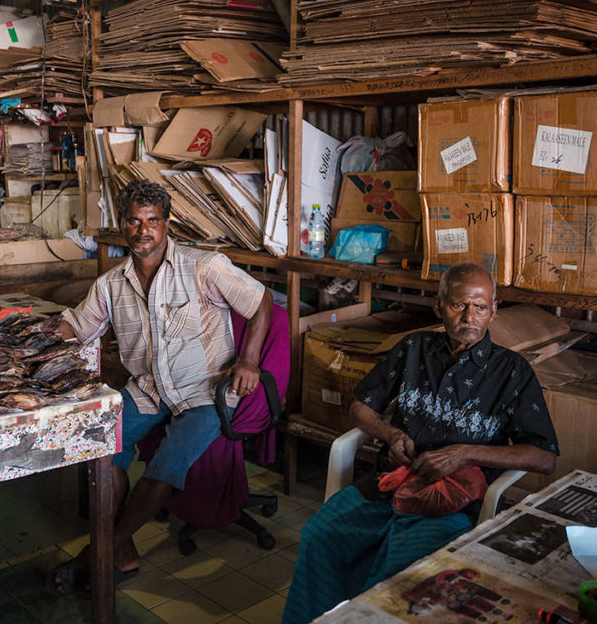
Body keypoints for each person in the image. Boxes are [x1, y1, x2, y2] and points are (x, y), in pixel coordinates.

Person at [282, 263, 559, 623]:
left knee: (399, 568)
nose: (469, 317)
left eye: (480, 307)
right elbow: (361, 406)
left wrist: (464, 453)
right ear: (439, 306)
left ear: (493, 309)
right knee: (319, 535)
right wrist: (390, 433)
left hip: (453, 504)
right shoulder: (414, 347)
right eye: (458, 305)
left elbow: (544, 457)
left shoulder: (511, 371)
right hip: (388, 483)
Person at [51, 179, 273, 593]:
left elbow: (261, 301)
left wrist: (249, 360)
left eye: (153, 220)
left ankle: (100, 552)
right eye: (134, 221)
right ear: (122, 224)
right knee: (101, 450)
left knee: (165, 464)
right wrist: (29, 331)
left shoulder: (204, 267)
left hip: (206, 391)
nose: (143, 231)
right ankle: (123, 548)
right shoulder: (111, 284)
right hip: (149, 389)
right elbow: (76, 328)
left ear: (166, 222)